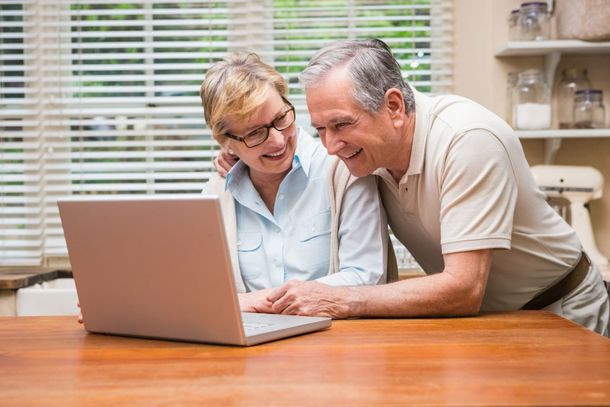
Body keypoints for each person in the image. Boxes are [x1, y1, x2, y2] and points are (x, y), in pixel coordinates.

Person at [216, 40, 609, 336]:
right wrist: (239, 157)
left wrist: (335, 298)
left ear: (394, 107)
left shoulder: (468, 139)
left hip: (562, 307)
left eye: (341, 125)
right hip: (493, 318)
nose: (330, 146)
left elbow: (464, 288)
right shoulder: (365, 155)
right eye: (320, 129)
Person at [199, 52, 397, 314]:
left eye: (281, 119)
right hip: (253, 347)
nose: (278, 141)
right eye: (255, 134)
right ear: (226, 142)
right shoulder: (216, 195)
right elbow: (204, 293)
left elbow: (366, 277)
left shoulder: (343, 171)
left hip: (338, 342)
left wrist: (253, 302)